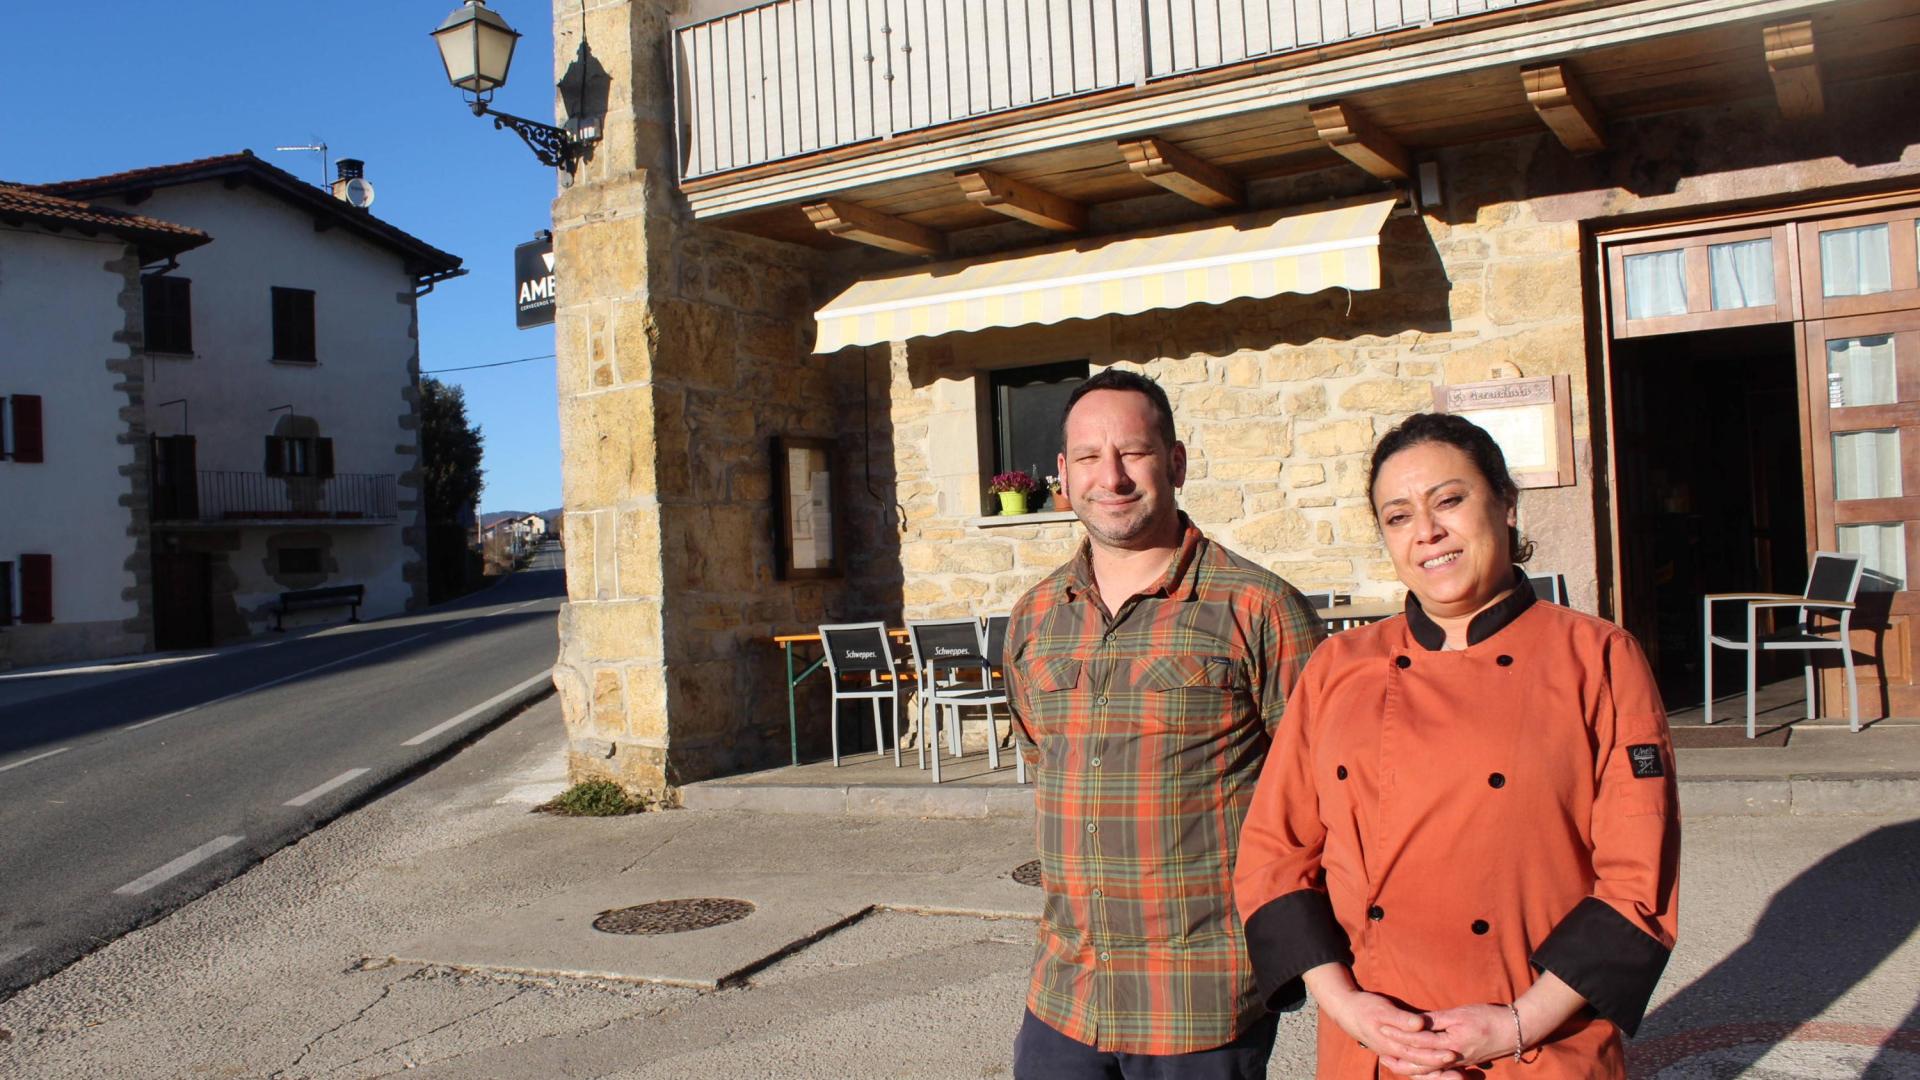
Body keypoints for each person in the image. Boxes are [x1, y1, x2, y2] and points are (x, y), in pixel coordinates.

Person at [1233, 412, 1680, 1080]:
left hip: (1539, 1048)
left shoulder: (1599, 658)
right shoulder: (1338, 667)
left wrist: (1516, 1023)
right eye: (1398, 516)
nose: (1427, 533)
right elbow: (1274, 855)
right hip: (1373, 1051)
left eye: (1448, 500)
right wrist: (1354, 1011)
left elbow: (1638, 881)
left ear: (1504, 501)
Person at [1004, 368, 1325, 1079]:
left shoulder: (1259, 610)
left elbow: (1326, 797)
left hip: (1201, 1000)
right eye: (1088, 457)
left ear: (1175, 462)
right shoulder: (1034, 617)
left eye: (1134, 453)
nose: (1110, 477)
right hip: (1065, 994)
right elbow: (1043, 755)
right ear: (1061, 473)